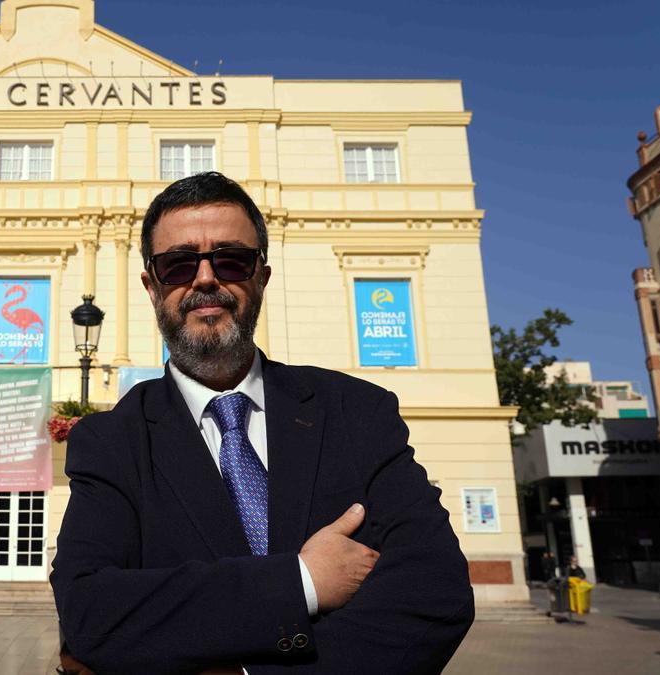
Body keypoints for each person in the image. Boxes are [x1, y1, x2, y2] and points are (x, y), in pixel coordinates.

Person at [51, 172, 474, 674]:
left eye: (230, 259)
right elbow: (91, 612)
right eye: (179, 263)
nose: (205, 278)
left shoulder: (357, 412)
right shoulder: (111, 441)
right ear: (152, 285)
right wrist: (302, 582)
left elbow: (435, 590)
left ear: (261, 277)